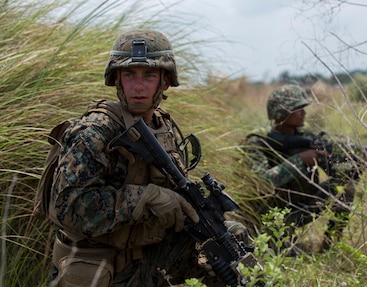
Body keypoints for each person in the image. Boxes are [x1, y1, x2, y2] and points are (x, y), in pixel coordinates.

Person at [47, 29, 249, 287]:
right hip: (103, 264)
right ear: (117, 80)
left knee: (232, 243)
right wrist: (147, 198)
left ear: (165, 82)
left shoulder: (161, 125)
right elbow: (69, 207)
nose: (138, 86)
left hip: (147, 252)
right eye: (129, 75)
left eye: (149, 75)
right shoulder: (95, 131)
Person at [243, 84, 356, 253]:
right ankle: (277, 239)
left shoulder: (306, 137)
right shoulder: (257, 142)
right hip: (270, 216)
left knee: (347, 185)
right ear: (282, 113)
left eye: (304, 108)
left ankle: (330, 244)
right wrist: (299, 160)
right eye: (298, 108)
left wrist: (348, 166)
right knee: (283, 255)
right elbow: (263, 182)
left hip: (303, 207)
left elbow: (335, 173)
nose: (304, 112)